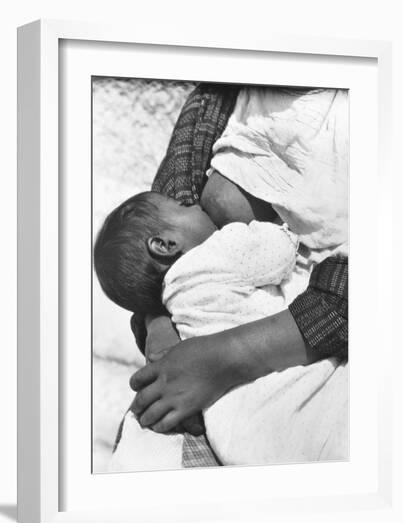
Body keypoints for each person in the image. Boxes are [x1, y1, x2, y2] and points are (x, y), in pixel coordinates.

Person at [125, 83, 348, 467]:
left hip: (322, 344)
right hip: (217, 388)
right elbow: (164, 214)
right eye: (183, 204)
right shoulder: (217, 96)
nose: (189, 202)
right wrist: (160, 327)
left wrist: (227, 357)